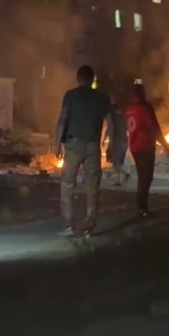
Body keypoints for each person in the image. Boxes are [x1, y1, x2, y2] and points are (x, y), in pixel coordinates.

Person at [54, 65, 114, 236]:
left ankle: (69, 224)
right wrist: (110, 143)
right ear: (93, 79)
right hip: (93, 146)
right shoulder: (102, 97)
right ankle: (89, 223)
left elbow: (63, 119)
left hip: (74, 145)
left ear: (78, 78)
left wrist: (57, 143)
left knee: (67, 183)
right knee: (92, 185)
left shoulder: (71, 95)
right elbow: (111, 122)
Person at [125, 83, 169, 217]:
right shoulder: (144, 107)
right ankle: (142, 208)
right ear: (142, 94)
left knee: (142, 177)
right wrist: (165, 145)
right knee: (146, 178)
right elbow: (154, 127)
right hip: (145, 147)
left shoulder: (129, 109)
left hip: (134, 147)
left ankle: (141, 206)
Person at [106, 101, 130, 185]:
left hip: (118, 142)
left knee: (116, 163)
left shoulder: (114, 118)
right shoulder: (124, 118)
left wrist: (109, 144)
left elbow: (111, 130)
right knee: (119, 163)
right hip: (125, 142)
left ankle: (125, 174)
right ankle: (119, 181)